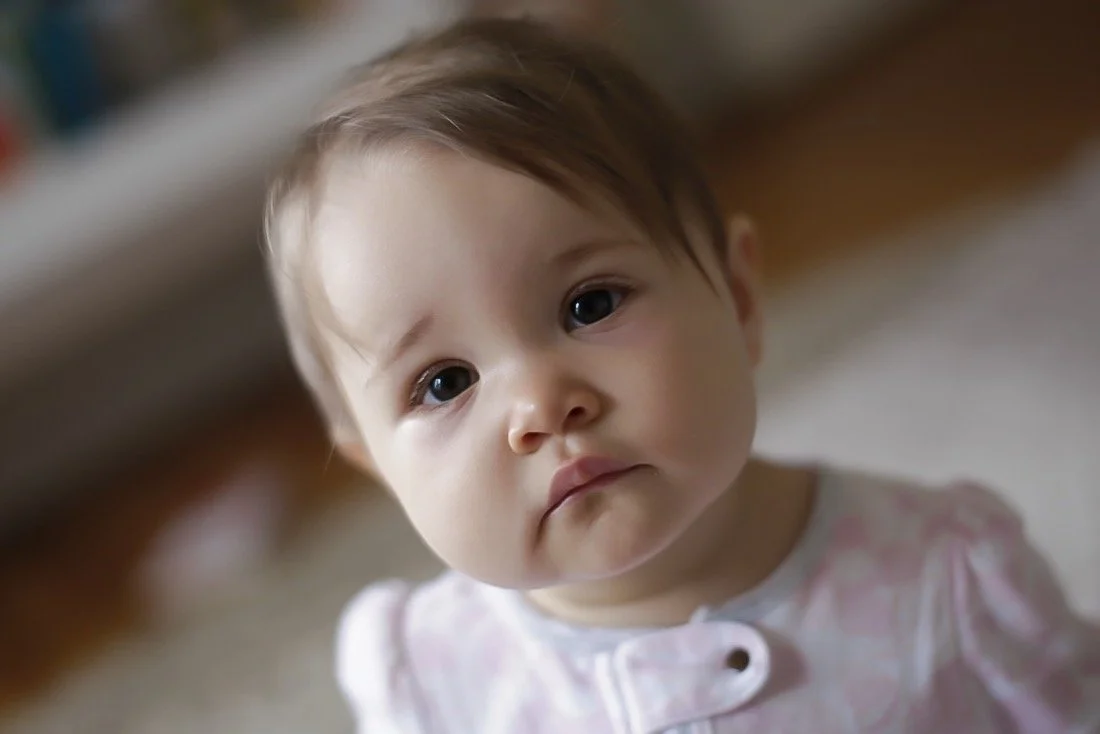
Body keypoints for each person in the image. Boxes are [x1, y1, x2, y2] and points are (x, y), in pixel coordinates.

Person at [262, 17, 1100, 733]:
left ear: (737, 296)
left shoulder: (944, 582)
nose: (541, 405)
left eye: (590, 305)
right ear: (378, 466)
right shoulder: (429, 681)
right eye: (444, 383)